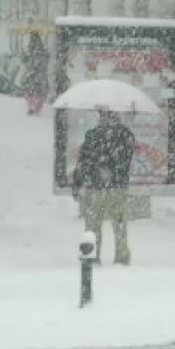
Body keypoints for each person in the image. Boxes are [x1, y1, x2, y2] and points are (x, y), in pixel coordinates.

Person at [72, 108, 136, 265]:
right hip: (98, 186)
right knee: (94, 224)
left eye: (112, 114)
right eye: (106, 114)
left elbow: (124, 161)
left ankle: (120, 257)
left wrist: (104, 156)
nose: (109, 117)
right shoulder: (93, 135)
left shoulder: (125, 135)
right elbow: (83, 161)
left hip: (115, 186)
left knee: (118, 222)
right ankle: (92, 255)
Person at [21, 33, 50, 115]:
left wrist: (25, 54)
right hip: (39, 76)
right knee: (39, 93)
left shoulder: (29, 50)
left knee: (31, 93)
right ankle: (37, 108)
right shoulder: (43, 51)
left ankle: (31, 108)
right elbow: (46, 61)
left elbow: (24, 61)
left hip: (32, 76)